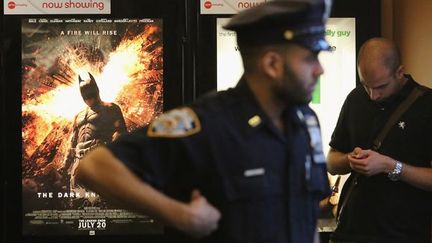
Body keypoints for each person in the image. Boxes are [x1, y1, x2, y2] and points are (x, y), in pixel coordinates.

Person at [76, 0, 332, 242]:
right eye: (310, 58)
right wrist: (180, 216)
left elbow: (306, 219)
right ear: (272, 64)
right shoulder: (210, 122)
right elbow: (95, 167)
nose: (319, 69)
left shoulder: (305, 123)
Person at [327, 37, 432, 243]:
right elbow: (331, 161)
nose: (373, 95)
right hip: (348, 232)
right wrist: (350, 160)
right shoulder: (356, 98)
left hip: (404, 235)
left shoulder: (427, 105)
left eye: (381, 87)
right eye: (366, 85)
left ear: (399, 72)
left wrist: (390, 166)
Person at [64, 72, 127, 192]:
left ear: (96, 91)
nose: (88, 98)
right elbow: (72, 141)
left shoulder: (110, 108)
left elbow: (121, 132)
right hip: (79, 159)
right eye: (85, 95)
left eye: (90, 94)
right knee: (77, 195)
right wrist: (66, 163)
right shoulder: (78, 116)